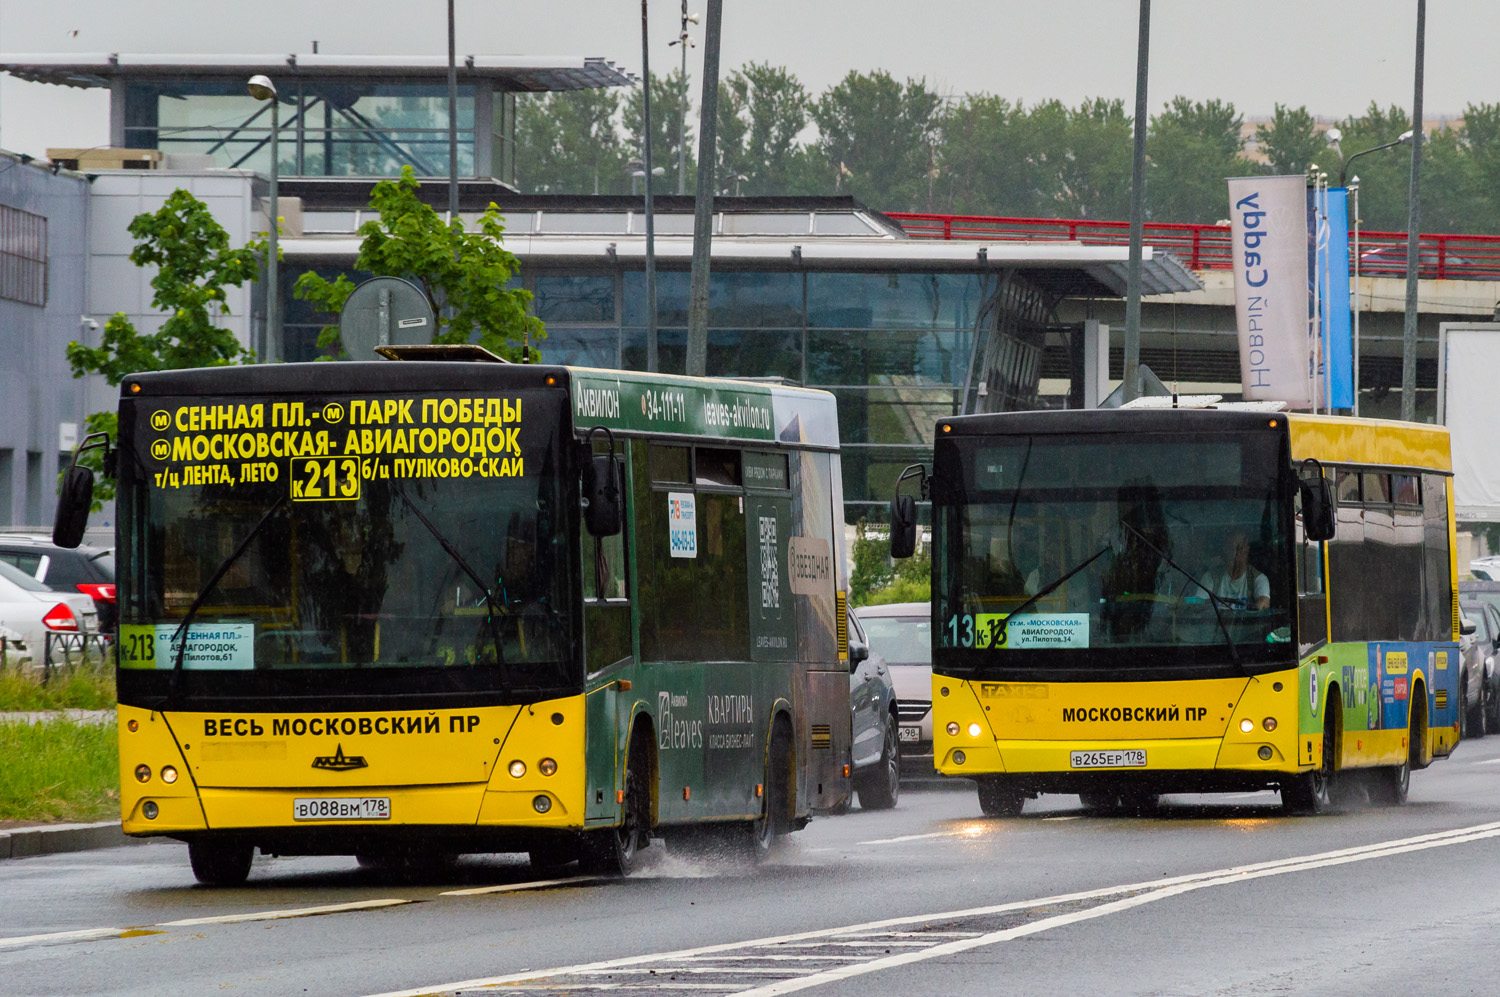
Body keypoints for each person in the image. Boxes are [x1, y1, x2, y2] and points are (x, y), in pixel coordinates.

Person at [1203, 531, 1270, 610]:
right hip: (1216, 622)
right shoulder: (1211, 576)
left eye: (1240, 548)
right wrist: (1187, 600)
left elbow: (1264, 602)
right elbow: (1197, 601)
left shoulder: (1258, 578)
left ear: (1247, 550)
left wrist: (1259, 605)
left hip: (1245, 622)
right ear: (1225, 550)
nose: (1236, 553)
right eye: (1231, 548)